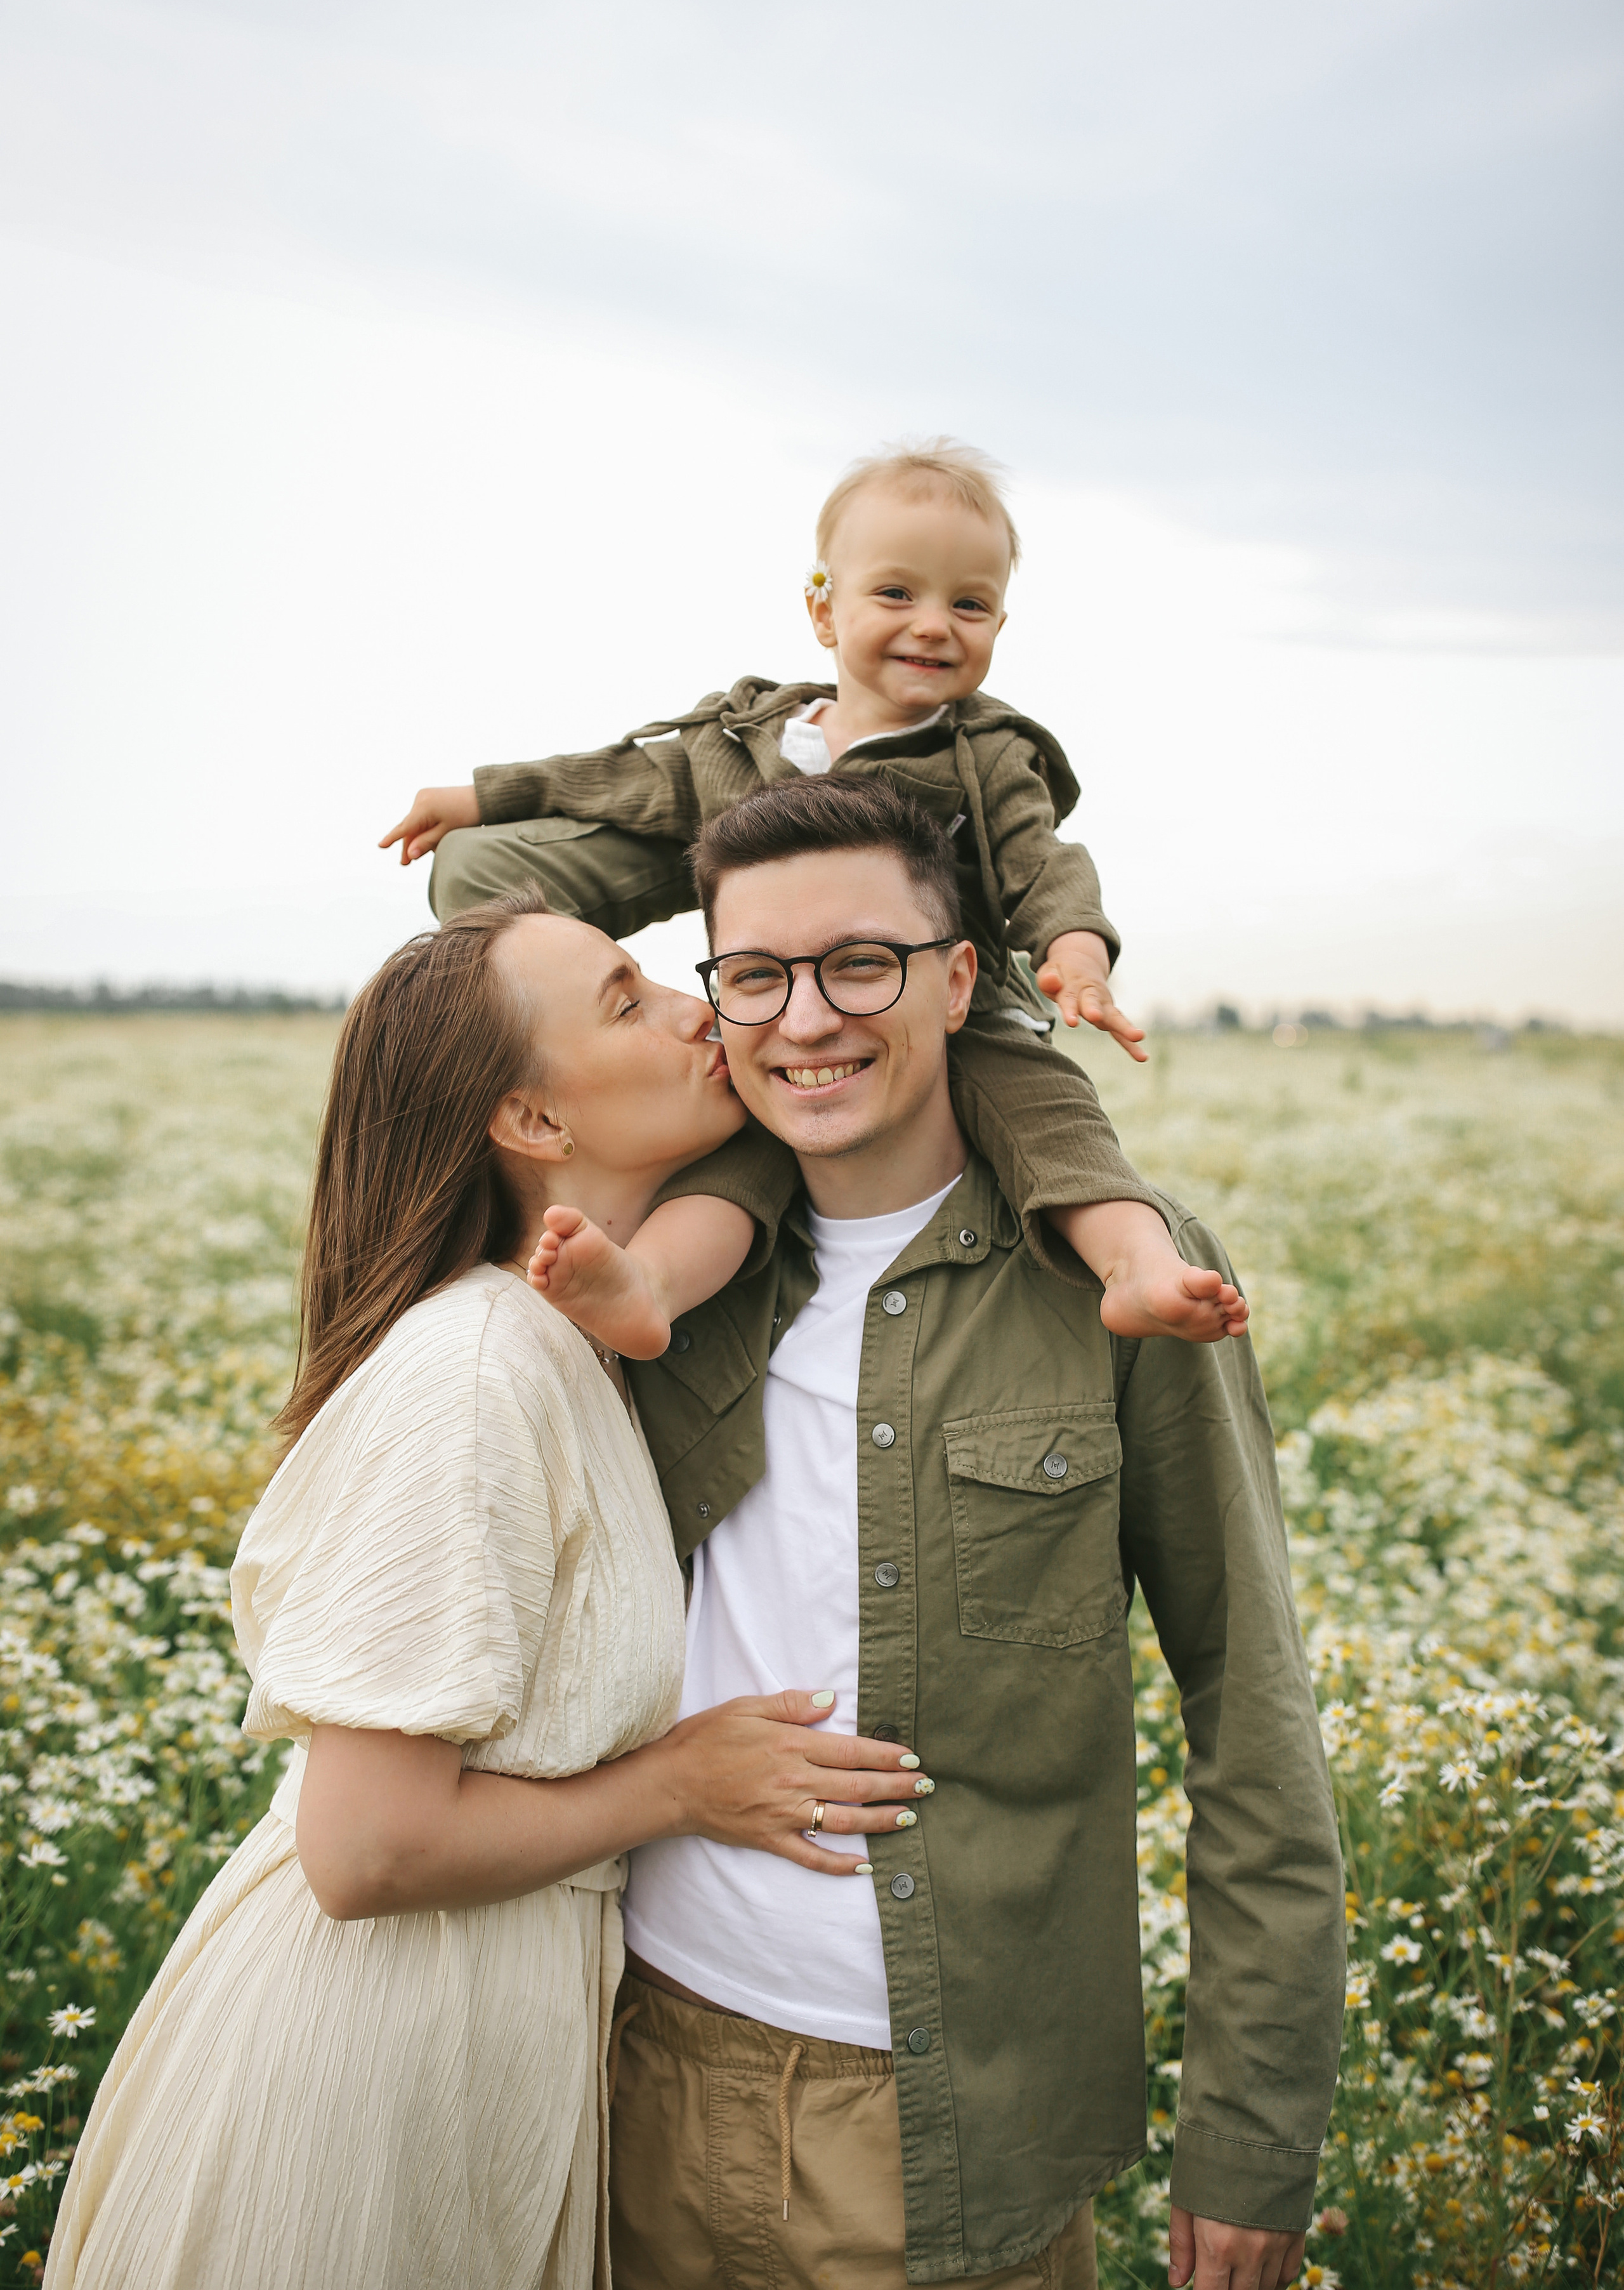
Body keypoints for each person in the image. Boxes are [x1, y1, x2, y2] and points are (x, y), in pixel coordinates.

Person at [44, 895, 927, 2290]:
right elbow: (363, 1850)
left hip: (477, 2055)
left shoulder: (581, 1347)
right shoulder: (475, 1372)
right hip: (358, 2085)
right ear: (531, 1122)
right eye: (628, 1001)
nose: (709, 1009)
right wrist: (681, 1788)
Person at [535, 778, 1346, 2290]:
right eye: (755, 975)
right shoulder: (657, 1276)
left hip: (948, 2119)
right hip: (633, 2048)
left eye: (861, 963)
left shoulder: (1121, 1272)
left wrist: (1250, 2128)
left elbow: (1248, 1702)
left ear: (961, 977)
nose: (803, 1021)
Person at [377, 436, 1249, 1353]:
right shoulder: (750, 740)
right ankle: (650, 1287)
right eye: (897, 594)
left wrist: (1075, 956)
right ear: (823, 612)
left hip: (966, 1010)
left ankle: (1135, 1267)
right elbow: (613, 779)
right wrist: (479, 796)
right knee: (743, 1161)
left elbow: (1045, 864)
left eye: (971, 604)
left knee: (1054, 1118)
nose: (933, 625)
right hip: (787, 1015)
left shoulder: (986, 755)